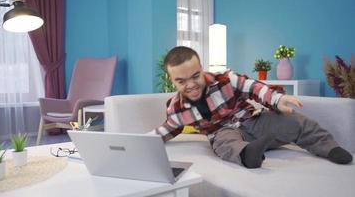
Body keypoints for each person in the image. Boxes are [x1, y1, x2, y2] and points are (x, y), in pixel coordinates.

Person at [151, 46, 352, 168]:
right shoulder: (177, 110)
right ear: (173, 81)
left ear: (201, 69)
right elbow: (164, 131)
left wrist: (276, 99)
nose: (191, 85)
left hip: (252, 120)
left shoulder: (226, 79)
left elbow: (255, 88)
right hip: (223, 132)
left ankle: (330, 148)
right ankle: (248, 155)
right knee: (223, 144)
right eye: (181, 81)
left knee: (294, 121)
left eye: (195, 76)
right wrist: (137, 142)